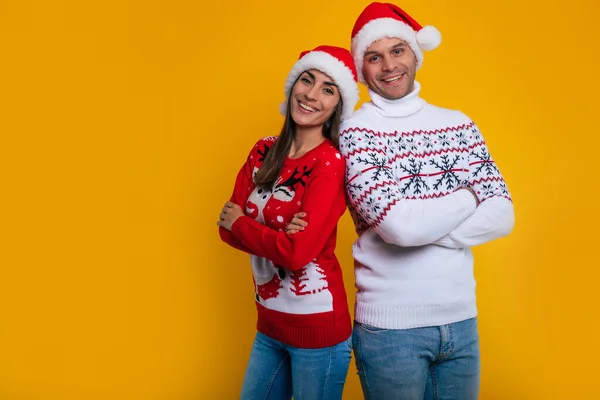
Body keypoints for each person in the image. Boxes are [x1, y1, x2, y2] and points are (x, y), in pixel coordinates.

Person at [286, 3, 515, 399]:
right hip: (391, 330)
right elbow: (401, 228)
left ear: (414, 54)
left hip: (461, 322)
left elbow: (502, 215)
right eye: (374, 57)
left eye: (398, 50)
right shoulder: (356, 132)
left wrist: (422, 226)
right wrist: (471, 193)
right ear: (362, 68)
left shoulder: (458, 123)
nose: (389, 65)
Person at [217, 45, 359, 400]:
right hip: (269, 325)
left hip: (318, 331)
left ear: (337, 107)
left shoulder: (330, 163)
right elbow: (224, 226)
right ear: (293, 85)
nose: (311, 95)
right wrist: (280, 235)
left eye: (328, 89)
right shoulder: (264, 150)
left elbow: (297, 255)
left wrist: (245, 224)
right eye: (306, 80)